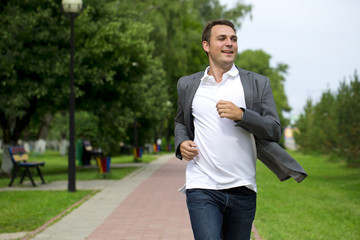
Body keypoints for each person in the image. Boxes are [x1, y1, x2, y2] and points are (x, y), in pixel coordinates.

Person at [174, 19, 307, 240]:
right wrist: (181, 143)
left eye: (233, 39)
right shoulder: (188, 84)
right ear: (206, 45)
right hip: (202, 185)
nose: (229, 43)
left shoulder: (257, 83)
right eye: (222, 38)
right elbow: (180, 121)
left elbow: (274, 130)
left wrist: (243, 115)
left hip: (243, 187)